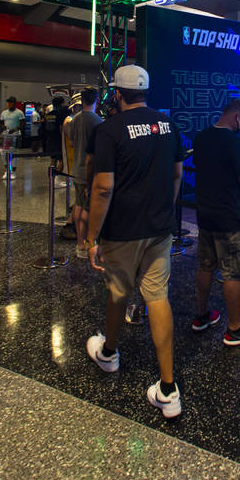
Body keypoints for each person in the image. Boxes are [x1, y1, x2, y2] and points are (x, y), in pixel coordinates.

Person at [85, 65, 185, 418]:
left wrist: (90, 236)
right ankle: (168, 389)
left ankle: (109, 354)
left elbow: (103, 187)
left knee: (117, 292)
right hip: (160, 228)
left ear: (117, 93)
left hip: (121, 230)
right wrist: (164, 211)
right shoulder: (168, 125)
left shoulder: (108, 129)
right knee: (157, 296)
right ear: (145, 91)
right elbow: (176, 175)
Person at [192, 99, 240, 346]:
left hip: (206, 216)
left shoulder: (200, 138)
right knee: (233, 274)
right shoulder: (235, 143)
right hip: (231, 219)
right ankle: (235, 329)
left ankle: (201, 315)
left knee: (205, 267)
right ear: (238, 117)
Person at [51, 89, 101, 258]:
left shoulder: (74, 120)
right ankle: (88, 244)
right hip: (90, 170)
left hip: (76, 168)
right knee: (88, 207)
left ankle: (80, 244)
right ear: (96, 100)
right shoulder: (98, 121)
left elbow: (71, 142)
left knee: (78, 205)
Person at [0, 97, 25, 180]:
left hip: (15, 135)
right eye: (8, 103)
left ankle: (13, 171)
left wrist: (14, 129)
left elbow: (22, 124)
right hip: (6, 135)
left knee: (14, 153)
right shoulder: (4, 113)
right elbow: (0, 123)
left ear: (14, 103)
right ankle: (7, 170)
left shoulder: (19, 113)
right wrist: (3, 127)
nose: (9, 104)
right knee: (3, 152)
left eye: (10, 103)